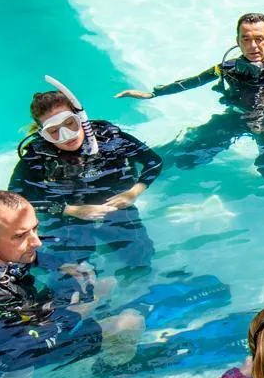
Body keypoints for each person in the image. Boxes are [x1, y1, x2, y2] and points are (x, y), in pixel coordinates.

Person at [0, 191, 144, 378]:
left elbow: (34, 257)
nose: (36, 241)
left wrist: (62, 265)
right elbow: (52, 323)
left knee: (106, 285)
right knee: (129, 322)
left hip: (10, 325)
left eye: (35, 229)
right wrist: (81, 302)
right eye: (21, 235)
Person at [118, 13, 264, 187]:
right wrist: (154, 93)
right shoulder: (229, 68)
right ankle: (130, 168)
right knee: (186, 158)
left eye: (259, 39)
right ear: (238, 41)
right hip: (237, 119)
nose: (253, 46)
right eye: (246, 39)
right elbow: (195, 81)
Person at [10, 83, 162, 293]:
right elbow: (14, 200)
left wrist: (133, 192)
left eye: (69, 124)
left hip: (115, 208)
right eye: (54, 131)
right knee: (69, 274)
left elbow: (153, 161)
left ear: (80, 118)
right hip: (67, 217)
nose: (66, 135)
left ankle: (129, 297)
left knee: (141, 259)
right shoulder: (37, 158)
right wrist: (69, 210)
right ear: (43, 134)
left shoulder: (111, 139)